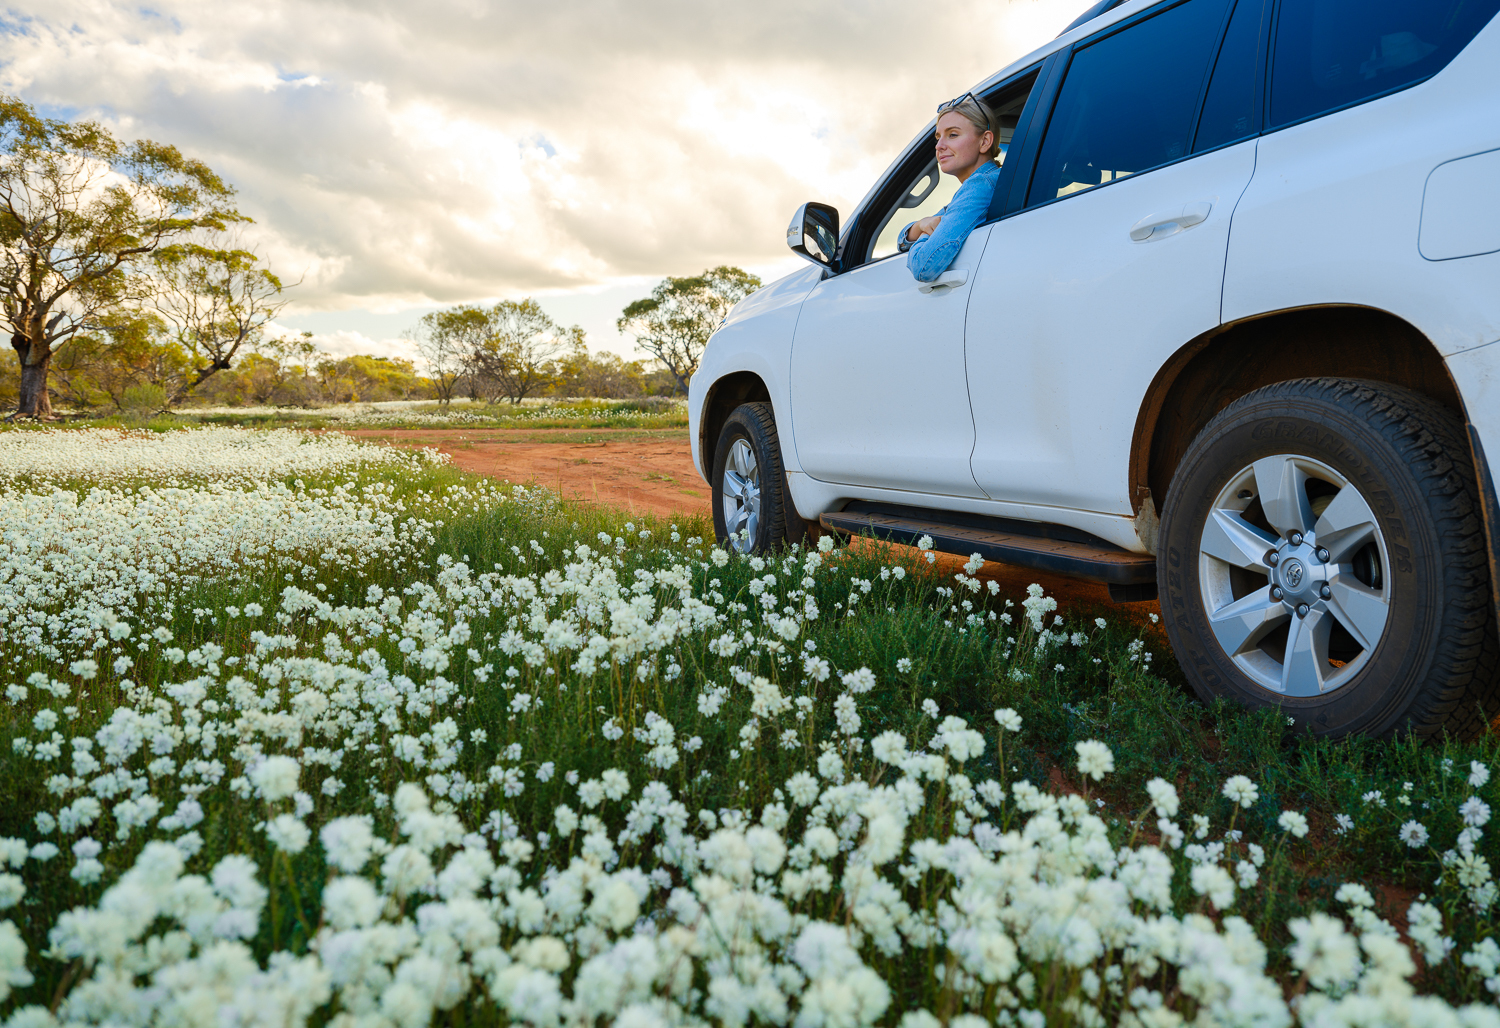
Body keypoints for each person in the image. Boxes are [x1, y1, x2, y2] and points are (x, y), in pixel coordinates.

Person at [899, 93, 1004, 282]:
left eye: (952, 135)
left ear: (985, 141)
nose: (939, 146)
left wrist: (923, 234)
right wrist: (920, 225)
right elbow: (905, 237)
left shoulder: (980, 186)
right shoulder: (984, 183)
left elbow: (923, 266)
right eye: (938, 137)